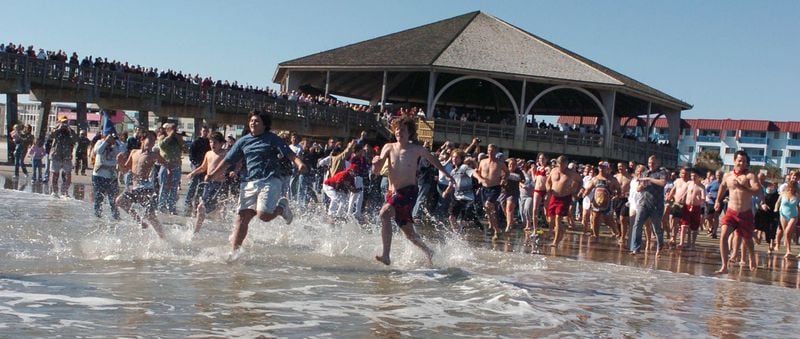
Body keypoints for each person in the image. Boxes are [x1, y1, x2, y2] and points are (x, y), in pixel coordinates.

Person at [206, 110, 306, 255]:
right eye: (252, 120)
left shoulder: (272, 138)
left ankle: (282, 208)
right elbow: (228, 160)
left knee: (263, 215)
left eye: (257, 121)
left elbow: (290, 154)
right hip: (249, 182)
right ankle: (234, 253)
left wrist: (300, 164)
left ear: (265, 125)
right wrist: (213, 174)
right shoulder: (243, 141)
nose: (253, 123)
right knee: (242, 217)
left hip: (270, 180)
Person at [371, 116, 452, 266]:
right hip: (393, 193)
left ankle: (386, 255)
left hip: (408, 192)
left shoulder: (416, 149)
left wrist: (447, 174)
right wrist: (375, 164)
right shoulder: (388, 147)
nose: (398, 132)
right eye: (396, 130)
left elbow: (432, 159)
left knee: (384, 212)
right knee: (409, 234)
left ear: (409, 133)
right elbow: (377, 169)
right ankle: (429, 252)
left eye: (402, 130)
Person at [715, 151, 762, 273]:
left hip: (745, 212)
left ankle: (751, 257)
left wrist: (743, 187)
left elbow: (757, 190)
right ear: (735, 161)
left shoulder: (750, 176)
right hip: (731, 211)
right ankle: (724, 266)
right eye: (740, 160)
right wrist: (717, 201)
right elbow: (722, 187)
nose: (742, 163)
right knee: (723, 236)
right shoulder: (728, 175)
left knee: (748, 240)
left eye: (745, 161)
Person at [116, 131, 167, 238]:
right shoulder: (134, 152)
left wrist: (169, 174)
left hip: (146, 187)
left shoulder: (154, 154)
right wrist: (120, 162)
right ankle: (140, 222)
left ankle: (163, 237)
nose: (153, 143)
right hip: (135, 186)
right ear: (142, 140)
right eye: (150, 140)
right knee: (120, 201)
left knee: (150, 215)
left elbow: (166, 163)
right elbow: (125, 169)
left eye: (154, 141)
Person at [188, 132, 227, 234]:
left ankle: (200, 230)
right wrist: (193, 173)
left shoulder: (225, 154)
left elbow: (237, 161)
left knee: (203, 207)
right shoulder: (208, 154)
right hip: (208, 184)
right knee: (204, 208)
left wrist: (234, 171)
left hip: (219, 184)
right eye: (210, 142)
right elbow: (203, 167)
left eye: (215, 142)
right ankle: (197, 230)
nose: (212, 144)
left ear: (221, 143)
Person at [629, 155, 668, 256]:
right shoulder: (646, 173)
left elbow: (663, 183)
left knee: (656, 228)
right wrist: (642, 184)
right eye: (650, 163)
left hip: (656, 204)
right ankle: (636, 248)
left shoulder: (661, 172)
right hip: (644, 203)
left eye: (653, 163)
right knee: (637, 224)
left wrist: (649, 179)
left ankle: (660, 247)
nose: (651, 165)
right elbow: (638, 189)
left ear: (658, 163)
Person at [473, 144, 509, 239]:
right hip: (484, 188)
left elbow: (507, 172)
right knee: (488, 210)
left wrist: (504, 179)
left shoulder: (500, 163)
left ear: (496, 152)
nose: (491, 152)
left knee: (489, 205)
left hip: (495, 187)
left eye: (493, 151)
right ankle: (496, 229)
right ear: (487, 151)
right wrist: (480, 179)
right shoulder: (482, 161)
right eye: (489, 150)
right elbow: (477, 172)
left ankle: (496, 229)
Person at [546, 155, 582, 247]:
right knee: (551, 219)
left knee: (558, 218)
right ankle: (561, 230)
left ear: (566, 164)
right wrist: (548, 188)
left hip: (565, 197)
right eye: (559, 164)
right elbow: (548, 181)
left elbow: (580, 181)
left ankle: (555, 242)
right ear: (557, 163)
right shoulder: (553, 170)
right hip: (554, 196)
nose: (561, 166)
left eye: (563, 164)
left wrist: (575, 191)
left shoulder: (571, 173)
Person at [442, 149, 478, 232]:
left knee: (464, 221)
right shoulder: (453, 171)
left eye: (456, 157)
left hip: (468, 199)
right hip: (457, 198)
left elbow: (473, 173)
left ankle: (463, 234)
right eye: (453, 157)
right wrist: (446, 192)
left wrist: (480, 178)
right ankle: (457, 234)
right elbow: (451, 184)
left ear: (461, 159)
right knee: (451, 217)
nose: (454, 159)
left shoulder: (464, 167)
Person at [583, 161, 621, 239]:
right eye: (600, 167)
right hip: (596, 202)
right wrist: (584, 194)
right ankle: (595, 235)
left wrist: (617, 196)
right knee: (595, 218)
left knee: (608, 219)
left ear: (607, 168)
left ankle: (615, 230)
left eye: (603, 167)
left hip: (608, 202)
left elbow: (619, 189)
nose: (601, 169)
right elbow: (588, 189)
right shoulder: (595, 179)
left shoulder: (612, 179)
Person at [91, 131, 124, 219]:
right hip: (99, 175)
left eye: (113, 137)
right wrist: (106, 142)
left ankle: (116, 217)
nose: (111, 139)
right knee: (98, 198)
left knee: (113, 200)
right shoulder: (100, 142)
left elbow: (120, 155)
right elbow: (98, 151)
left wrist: (114, 144)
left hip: (112, 176)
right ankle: (97, 217)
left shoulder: (117, 145)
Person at [157, 123, 184, 214]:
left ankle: (171, 207)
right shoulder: (162, 137)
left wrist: (178, 138)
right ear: (167, 129)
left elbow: (184, 148)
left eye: (175, 129)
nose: (174, 131)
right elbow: (162, 145)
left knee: (174, 187)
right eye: (172, 129)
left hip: (176, 166)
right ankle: (161, 206)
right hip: (165, 166)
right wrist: (169, 136)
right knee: (164, 187)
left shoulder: (177, 139)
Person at [48, 116, 78, 196]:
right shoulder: (56, 130)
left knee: (68, 175)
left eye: (66, 122)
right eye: (63, 122)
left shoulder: (70, 131)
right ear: (59, 122)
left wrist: (69, 130)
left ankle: (64, 191)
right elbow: (50, 136)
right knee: (55, 174)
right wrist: (58, 129)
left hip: (67, 156)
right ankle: (54, 191)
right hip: (56, 155)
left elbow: (75, 139)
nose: (64, 124)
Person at [185, 126, 210, 215]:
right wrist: (195, 164)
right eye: (204, 131)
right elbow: (191, 155)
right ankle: (188, 202)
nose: (205, 132)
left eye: (207, 131)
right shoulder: (196, 142)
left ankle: (197, 202)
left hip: (205, 166)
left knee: (202, 185)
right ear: (201, 131)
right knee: (193, 184)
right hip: (196, 165)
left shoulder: (208, 142)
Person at [678, 169, 705, 250]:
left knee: (694, 227)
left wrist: (701, 200)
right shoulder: (689, 183)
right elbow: (685, 191)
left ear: (699, 177)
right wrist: (682, 197)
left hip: (696, 207)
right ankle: (681, 243)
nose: (693, 177)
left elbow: (703, 197)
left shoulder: (701, 186)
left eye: (695, 176)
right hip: (687, 206)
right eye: (692, 176)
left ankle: (692, 244)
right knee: (683, 225)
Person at [774, 173, 798, 259]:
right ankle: (788, 250)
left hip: (793, 216)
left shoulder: (797, 195)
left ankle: (789, 250)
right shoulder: (783, 193)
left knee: (787, 232)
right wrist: (776, 209)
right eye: (791, 186)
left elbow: (798, 205)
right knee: (786, 233)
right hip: (783, 214)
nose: (792, 188)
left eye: (794, 187)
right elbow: (778, 202)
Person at [529, 153, 550, 233]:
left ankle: (551, 227)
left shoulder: (547, 168)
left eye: (543, 159)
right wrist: (532, 172)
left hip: (545, 190)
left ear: (546, 160)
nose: (541, 160)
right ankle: (535, 229)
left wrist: (548, 192)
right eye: (540, 159)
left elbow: (549, 180)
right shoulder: (538, 168)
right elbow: (534, 180)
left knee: (546, 210)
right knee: (535, 209)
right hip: (537, 190)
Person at [614, 162, 632, 245]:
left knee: (622, 218)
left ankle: (623, 237)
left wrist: (629, 194)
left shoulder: (630, 178)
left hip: (626, 200)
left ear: (625, 167)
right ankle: (621, 233)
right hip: (616, 200)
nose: (620, 168)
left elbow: (633, 189)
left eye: (621, 166)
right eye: (618, 166)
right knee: (618, 219)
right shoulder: (615, 177)